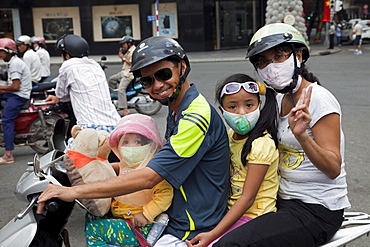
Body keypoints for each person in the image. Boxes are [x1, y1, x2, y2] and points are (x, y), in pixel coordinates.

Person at [37, 36, 230, 247]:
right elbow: (159, 162)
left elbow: (149, 177)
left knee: (100, 234)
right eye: (147, 80)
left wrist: (72, 192)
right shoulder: (177, 108)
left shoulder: (195, 117)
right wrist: (96, 168)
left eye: (163, 74)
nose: (157, 85)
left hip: (192, 225)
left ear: (182, 67)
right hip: (177, 213)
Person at [215, 23, 350, 247]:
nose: (272, 66)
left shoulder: (318, 99)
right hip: (281, 199)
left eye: (279, 56)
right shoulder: (276, 100)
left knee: (229, 245)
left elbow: (333, 168)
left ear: (299, 55)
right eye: (263, 62)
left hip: (315, 209)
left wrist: (303, 136)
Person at [185, 73, 279, 247]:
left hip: (255, 215)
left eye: (249, 105)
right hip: (233, 212)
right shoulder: (229, 137)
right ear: (222, 111)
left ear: (260, 105)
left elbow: (247, 198)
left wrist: (212, 234)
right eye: (233, 106)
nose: (241, 113)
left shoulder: (261, 144)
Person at [85, 113, 173, 247]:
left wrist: (145, 214)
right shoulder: (126, 164)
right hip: (123, 217)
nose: (130, 147)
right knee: (91, 214)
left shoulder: (152, 169)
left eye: (137, 142)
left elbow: (165, 194)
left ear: (150, 144)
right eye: (125, 142)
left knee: (93, 230)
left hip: (139, 225)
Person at [45, 34, 120, 140]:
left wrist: (57, 98)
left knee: (71, 154)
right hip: (115, 124)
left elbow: (61, 94)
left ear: (66, 55)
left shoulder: (68, 66)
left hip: (90, 127)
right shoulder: (95, 65)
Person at [0, 38, 32, 164]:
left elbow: (15, 86)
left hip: (19, 96)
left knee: (7, 120)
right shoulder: (11, 62)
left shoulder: (15, 64)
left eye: (1, 51)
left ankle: (8, 155)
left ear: (8, 51)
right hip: (14, 94)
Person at [108, 36, 136, 116]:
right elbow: (124, 63)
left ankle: (125, 109)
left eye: (124, 44)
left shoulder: (133, 51)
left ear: (129, 44)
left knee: (121, 89)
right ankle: (116, 97)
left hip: (129, 74)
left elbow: (131, 63)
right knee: (111, 79)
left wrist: (123, 57)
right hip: (124, 71)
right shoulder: (128, 51)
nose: (123, 46)